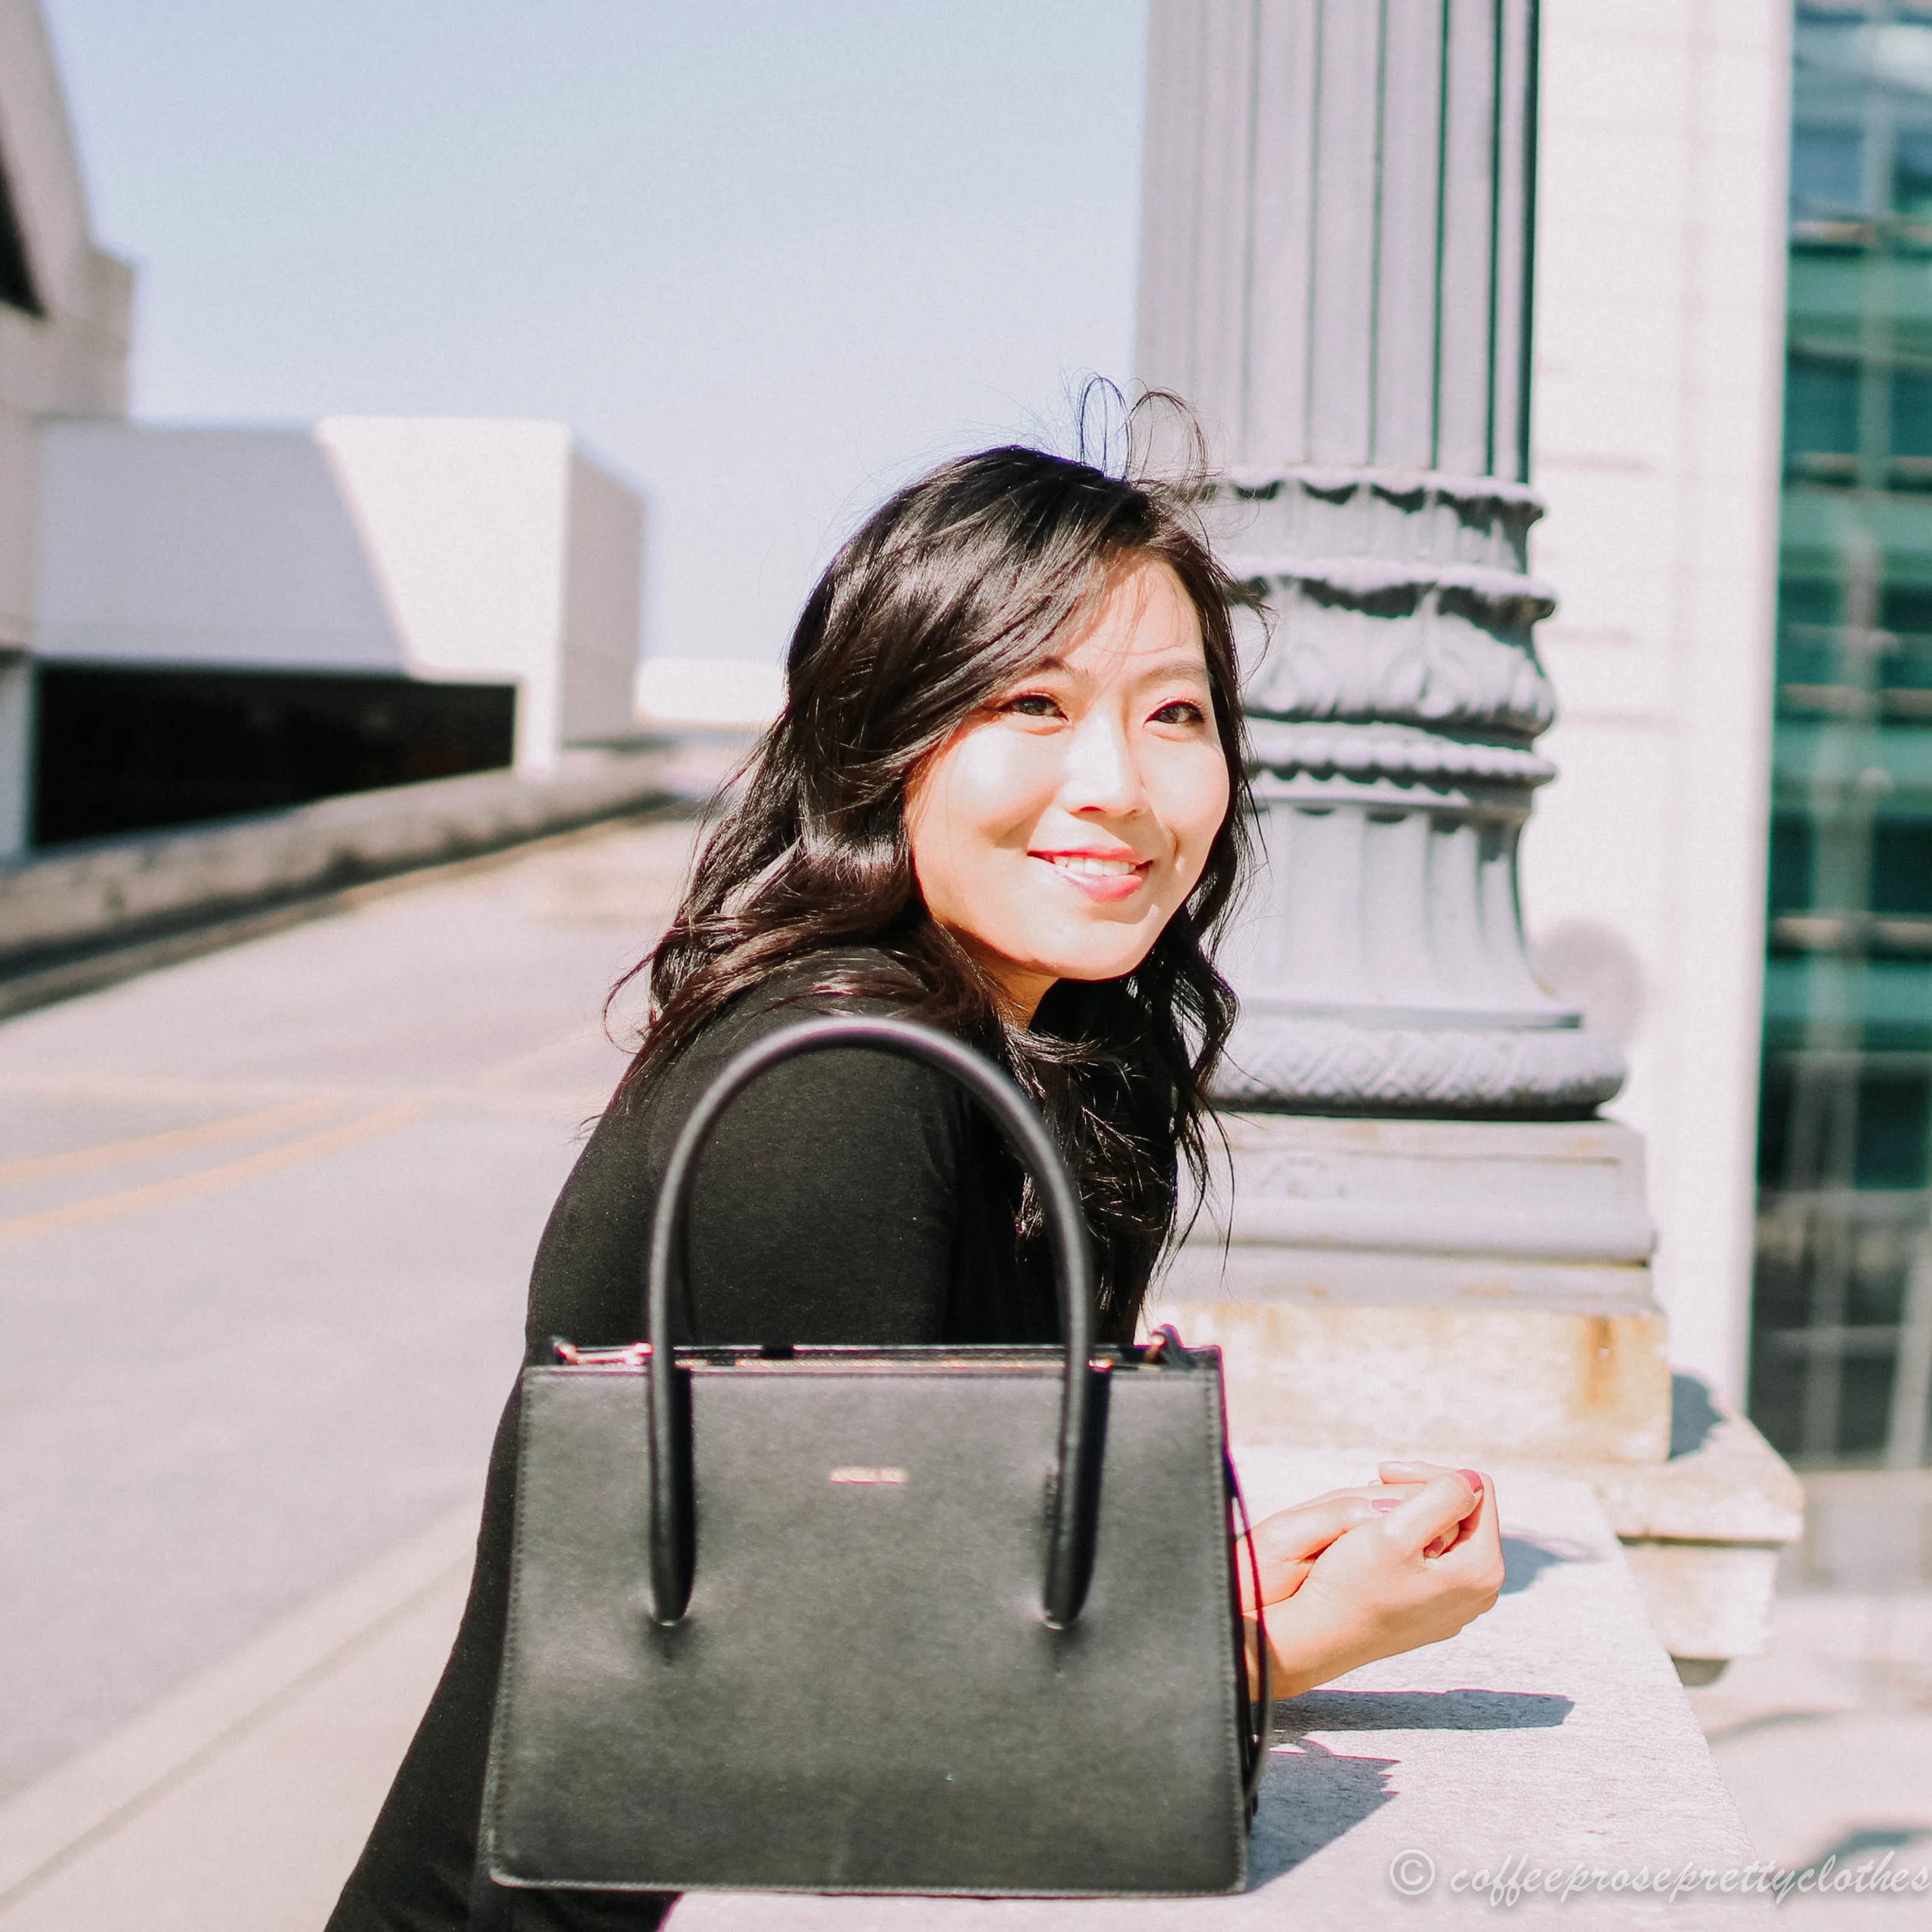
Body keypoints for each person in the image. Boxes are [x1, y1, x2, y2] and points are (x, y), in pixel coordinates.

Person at [328, 416, 1505, 1930]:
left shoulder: (1047, 1064)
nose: (1121, 786)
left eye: (1175, 714)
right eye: (1033, 701)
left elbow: (932, 1589)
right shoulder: (843, 1083)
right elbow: (875, 1745)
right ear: (882, 740)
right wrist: (1288, 1637)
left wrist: (1230, 1584)